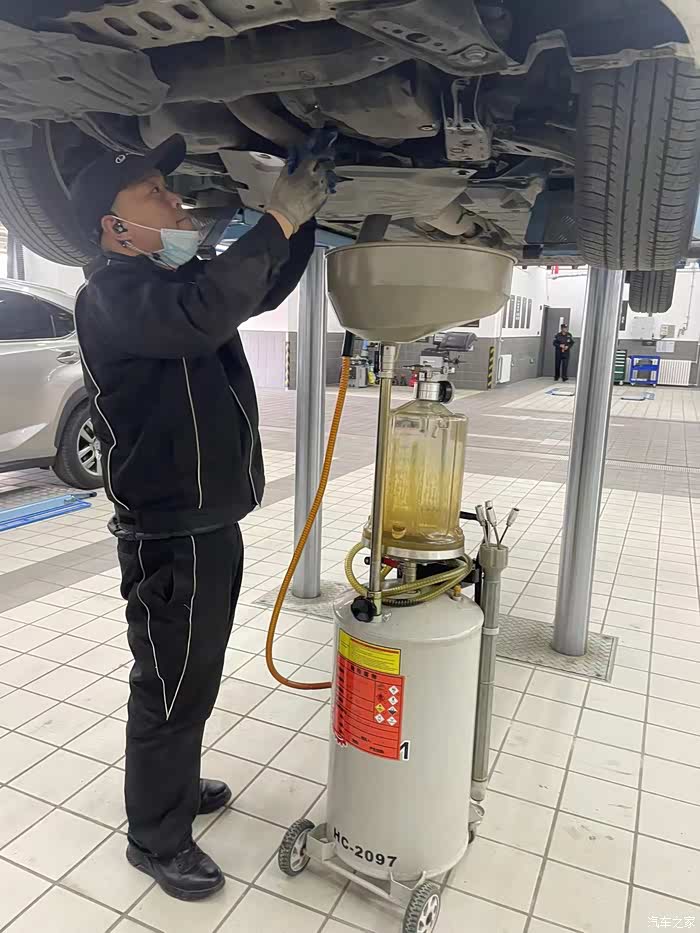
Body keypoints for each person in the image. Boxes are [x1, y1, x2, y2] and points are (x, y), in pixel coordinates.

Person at [69, 134, 331, 901]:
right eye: (152, 193)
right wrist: (275, 218)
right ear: (115, 228)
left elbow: (255, 292)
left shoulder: (168, 282)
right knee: (169, 687)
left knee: (194, 676)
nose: (175, 199)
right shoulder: (112, 295)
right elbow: (203, 311)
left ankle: (174, 786)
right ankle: (156, 837)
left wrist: (301, 217)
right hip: (169, 537)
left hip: (209, 525)